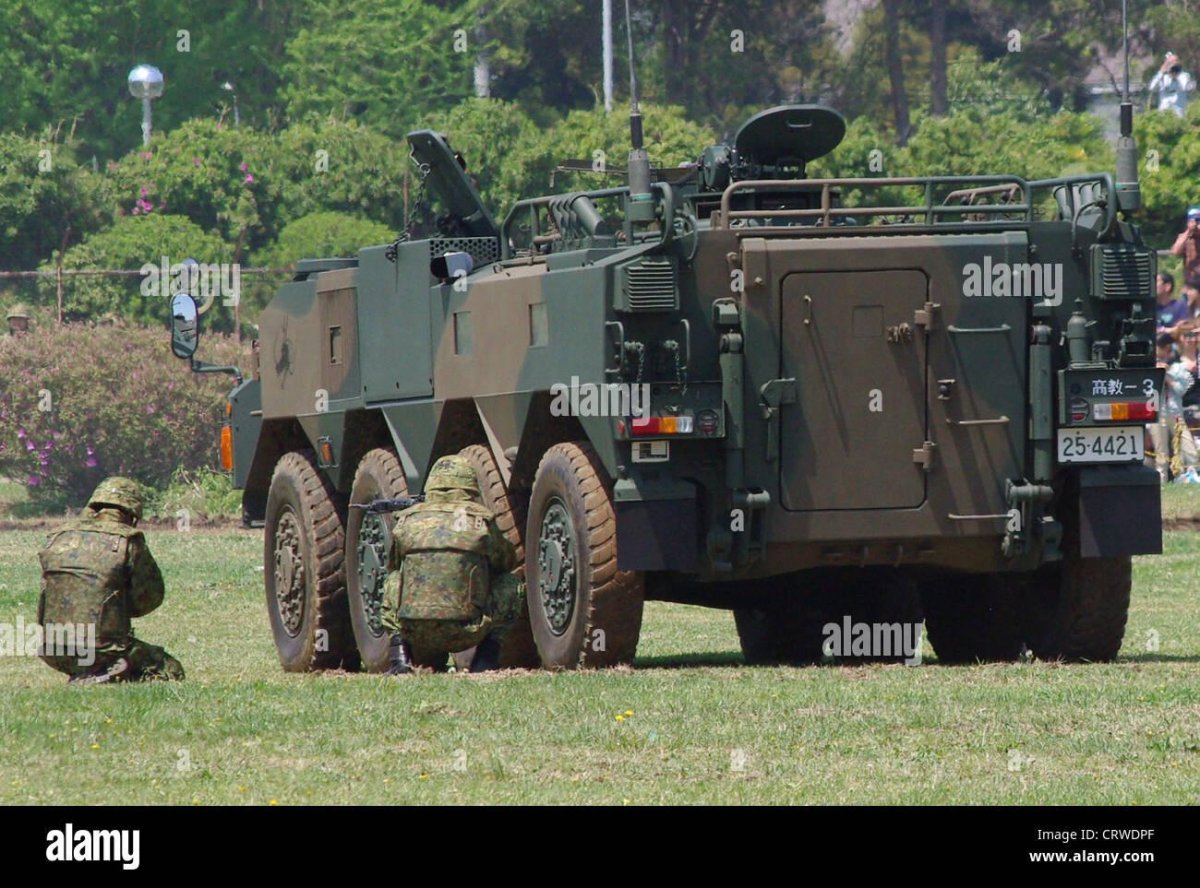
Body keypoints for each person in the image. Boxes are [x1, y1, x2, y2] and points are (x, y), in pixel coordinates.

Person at [382, 455, 522, 675]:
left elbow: (394, 565)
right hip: (469, 629)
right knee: (511, 584)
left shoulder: (406, 521)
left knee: (392, 581)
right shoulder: (481, 521)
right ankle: (486, 659)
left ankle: (399, 659)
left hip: (414, 630)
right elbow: (505, 562)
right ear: (469, 486)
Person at [37, 477, 184, 683]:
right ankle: (103, 673)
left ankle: (87, 673)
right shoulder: (128, 540)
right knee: (171, 670)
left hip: (52, 649)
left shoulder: (57, 537)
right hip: (103, 650)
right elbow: (150, 598)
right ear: (132, 513)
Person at [1148, 334, 1197, 481]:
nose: (1162, 352)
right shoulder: (1150, 369)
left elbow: (1183, 390)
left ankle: (1190, 477)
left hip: (1175, 413)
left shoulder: (1178, 368)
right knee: (1161, 453)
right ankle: (1162, 482)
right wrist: (1156, 374)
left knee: (1189, 449)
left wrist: (1168, 377)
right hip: (1158, 414)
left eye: (1165, 348)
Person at [1148, 52, 1195, 117]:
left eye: (1175, 61)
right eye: (1170, 62)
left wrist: (1177, 75)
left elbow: (1187, 87)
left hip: (1179, 115)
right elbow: (1151, 88)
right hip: (1164, 114)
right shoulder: (1162, 77)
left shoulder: (1184, 76)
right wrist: (1161, 72)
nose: (1173, 64)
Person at [1171, 207, 1200, 299]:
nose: (1196, 224)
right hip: (1190, 283)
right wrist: (1188, 231)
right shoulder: (1185, 237)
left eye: (1198, 221)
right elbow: (1175, 252)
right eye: (1193, 220)